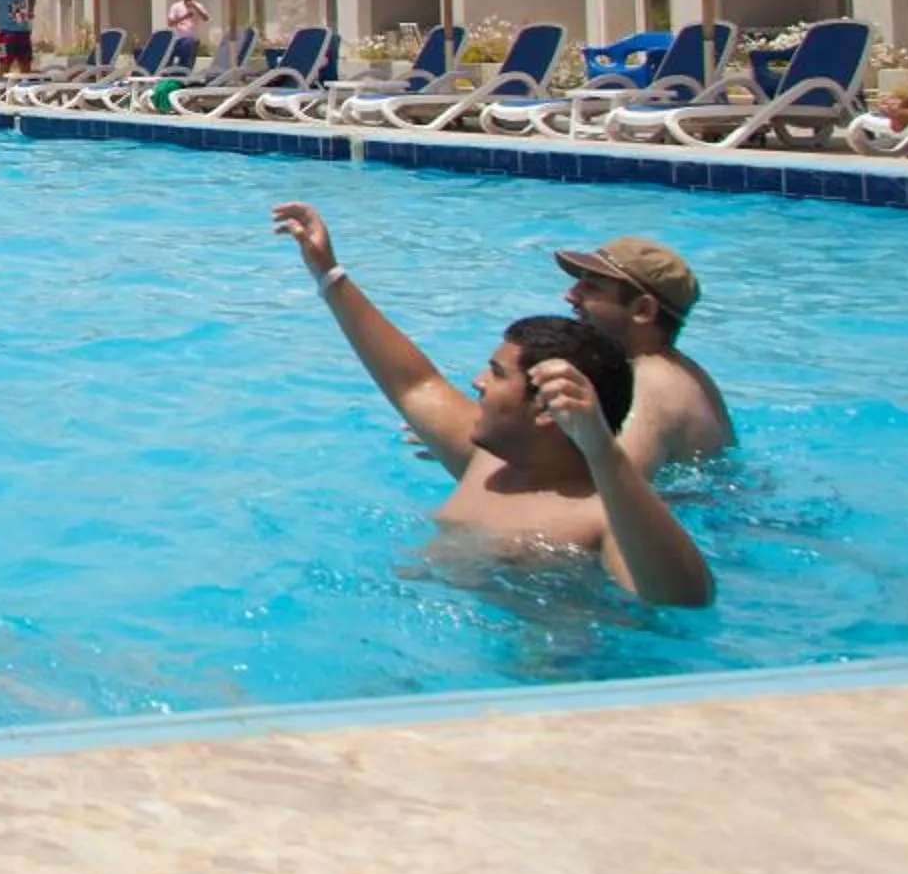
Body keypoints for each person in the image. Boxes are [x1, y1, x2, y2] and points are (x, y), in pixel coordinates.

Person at [270, 201, 712, 607]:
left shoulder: (595, 517)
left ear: (545, 411)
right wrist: (328, 273)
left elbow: (686, 597)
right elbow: (414, 383)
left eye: (497, 375)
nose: (478, 383)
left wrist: (599, 447)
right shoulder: (491, 463)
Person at [555, 237, 734, 473]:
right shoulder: (682, 370)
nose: (570, 296)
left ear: (643, 310)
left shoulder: (653, 387)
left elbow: (612, 491)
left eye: (592, 287)